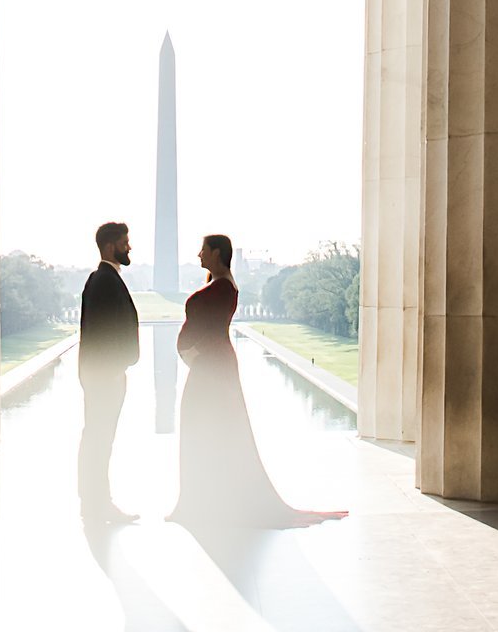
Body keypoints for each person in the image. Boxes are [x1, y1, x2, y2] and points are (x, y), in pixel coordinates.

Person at [167, 233, 344, 529]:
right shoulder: (220, 287)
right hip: (211, 366)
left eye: (203, 250)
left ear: (216, 253)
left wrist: (193, 354)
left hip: (212, 368)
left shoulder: (222, 288)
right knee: (207, 429)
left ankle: (206, 504)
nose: (198, 255)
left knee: (209, 429)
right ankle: (204, 501)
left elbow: (206, 330)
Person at [77, 220, 141, 522]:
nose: (129, 247)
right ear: (109, 245)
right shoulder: (103, 280)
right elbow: (102, 332)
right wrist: (114, 369)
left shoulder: (105, 278)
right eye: (125, 242)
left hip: (106, 374)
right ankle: (96, 504)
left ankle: (95, 502)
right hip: (105, 376)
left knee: (100, 438)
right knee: (99, 439)